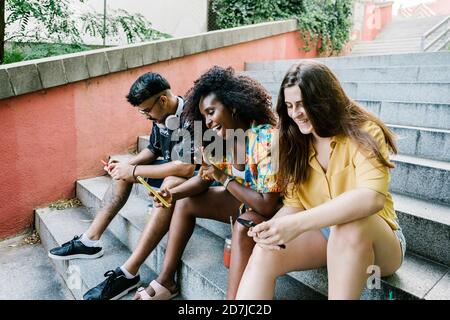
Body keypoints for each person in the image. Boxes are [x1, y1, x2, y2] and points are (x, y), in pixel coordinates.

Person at [236, 60, 407, 300]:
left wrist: (296, 225)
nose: (295, 113)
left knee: (350, 224)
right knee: (265, 251)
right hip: (324, 234)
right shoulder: (294, 142)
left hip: (377, 241)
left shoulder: (364, 131)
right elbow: (295, 204)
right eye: (289, 106)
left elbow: (371, 198)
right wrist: (272, 227)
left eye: (302, 104)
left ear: (324, 100)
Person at [132, 65, 281, 300]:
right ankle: (166, 280)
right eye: (203, 116)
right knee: (185, 203)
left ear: (233, 105)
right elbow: (202, 181)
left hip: (274, 210)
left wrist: (222, 177)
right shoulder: (220, 141)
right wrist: (174, 194)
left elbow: (268, 206)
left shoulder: (264, 138)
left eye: (211, 112)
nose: (208, 121)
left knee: (244, 222)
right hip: (246, 203)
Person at [48, 72, 196, 299]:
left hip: (193, 178)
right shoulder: (160, 115)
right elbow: (153, 149)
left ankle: (127, 273)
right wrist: (128, 165)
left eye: (147, 110)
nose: (146, 116)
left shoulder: (190, 117)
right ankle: (90, 240)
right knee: (123, 175)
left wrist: (134, 170)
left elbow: (186, 168)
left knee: (170, 182)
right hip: (168, 167)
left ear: (163, 100)